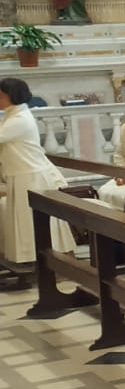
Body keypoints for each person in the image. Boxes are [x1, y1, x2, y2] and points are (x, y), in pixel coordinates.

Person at [0, 78, 73, 263]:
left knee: (34, 221)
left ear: (12, 96)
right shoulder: (13, 114)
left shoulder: (19, 119)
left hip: (31, 175)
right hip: (22, 174)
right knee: (25, 221)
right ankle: (33, 259)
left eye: (0, 96)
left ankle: (53, 261)